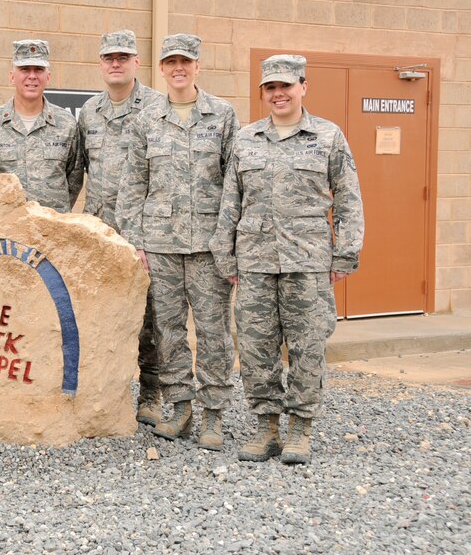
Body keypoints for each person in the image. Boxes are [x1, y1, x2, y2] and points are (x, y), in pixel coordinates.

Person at [210, 54, 364, 464]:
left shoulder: (328, 137)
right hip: (255, 262)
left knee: (306, 347)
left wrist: (346, 251)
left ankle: (300, 427)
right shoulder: (246, 139)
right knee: (258, 348)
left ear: (302, 87)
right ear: (263, 92)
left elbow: (348, 197)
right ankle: (266, 426)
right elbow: (231, 202)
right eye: (270, 88)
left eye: (286, 86)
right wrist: (224, 255)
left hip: (308, 262)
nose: (278, 94)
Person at [117, 34, 239, 451]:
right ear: (162, 69)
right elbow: (132, 186)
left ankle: (214, 416)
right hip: (161, 246)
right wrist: (136, 244)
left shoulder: (222, 116)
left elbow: (234, 187)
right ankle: (180, 408)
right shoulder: (146, 120)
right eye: (170, 62)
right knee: (168, 331)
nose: (178, 69)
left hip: (207, 248)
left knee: (213, 332)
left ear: (197, 66)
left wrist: (228, 243)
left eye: (185, 61)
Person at [78, 29, 167, 426]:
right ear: (100, 64)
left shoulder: (157, 107)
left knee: (150, 317)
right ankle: (102, 392)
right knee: (97, 314)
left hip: (143, 231)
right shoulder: (89, 112)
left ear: (136, 62)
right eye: (109, 58)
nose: (116, 63)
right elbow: (77, 168)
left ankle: (151, 393)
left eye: (123, 57)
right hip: (101, 229)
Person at [0, 39, 82, 213]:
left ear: (47, 77)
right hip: (7, 230)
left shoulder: (67, 124)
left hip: (55, 229)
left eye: (39, 70)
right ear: (12, 76)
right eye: (25, 69)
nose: (32, 76)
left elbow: (74, 178)